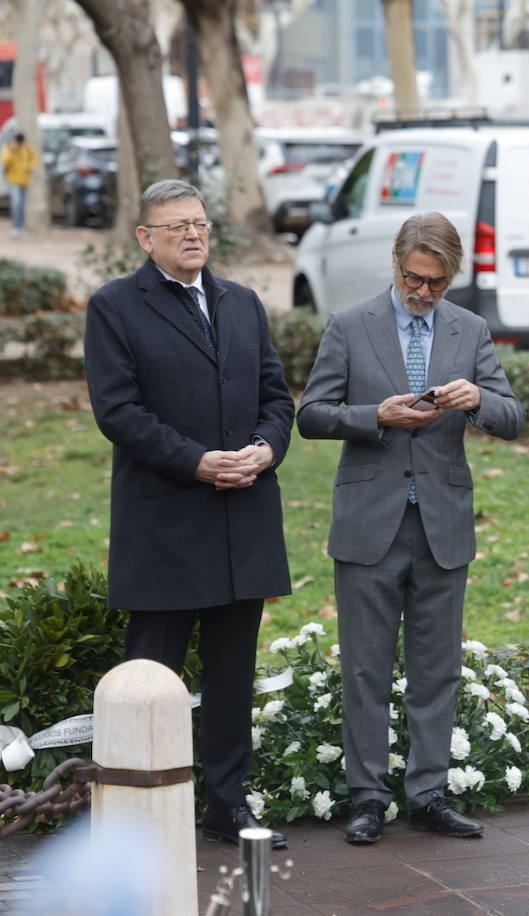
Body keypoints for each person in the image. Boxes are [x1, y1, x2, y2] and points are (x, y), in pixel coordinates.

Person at [297, 211, 525, 844]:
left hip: (443, 524)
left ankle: (428, 792)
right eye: (414, 279)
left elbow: (512, 415)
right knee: (366, 669)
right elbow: (311, 415)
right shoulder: (349, 325)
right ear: (395, 264)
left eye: (437, 283)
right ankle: (367, 797)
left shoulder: (471, 329)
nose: (424, 292)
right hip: (369, 522)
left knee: (437, 668)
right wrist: (377, 415)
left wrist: (477, 400)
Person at [84, 179, 294, 847]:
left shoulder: (243, 303)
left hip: (243, 519)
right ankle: (140, 817)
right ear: (145, 238)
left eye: (199, 223)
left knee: (233, 678)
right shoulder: (115, 307)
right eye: (175, 226)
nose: (193, 234)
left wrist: (264, 449)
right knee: (151, 678)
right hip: (167, 525)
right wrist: (199, 461)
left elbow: (276, 396)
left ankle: (227, 807)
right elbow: (119, 413)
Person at [2, 131, 38, 238]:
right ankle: (15, 227)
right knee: (16, 204)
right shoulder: (9, 148)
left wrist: (30, 167)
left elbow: (33, 159)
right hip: (13, 180)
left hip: (25, 181)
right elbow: (5, 161)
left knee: (21, 205)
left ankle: (20, 227)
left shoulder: (27, 148)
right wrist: (14, 151)